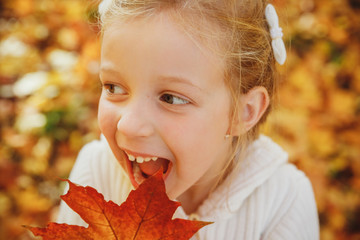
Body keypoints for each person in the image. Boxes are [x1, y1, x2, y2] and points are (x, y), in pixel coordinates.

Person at [57, 0, 319, 239]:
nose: (128, 124)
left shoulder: (284, 202)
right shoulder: (95, 171)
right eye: (113, 87)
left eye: (171, 98)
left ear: (243, 112)